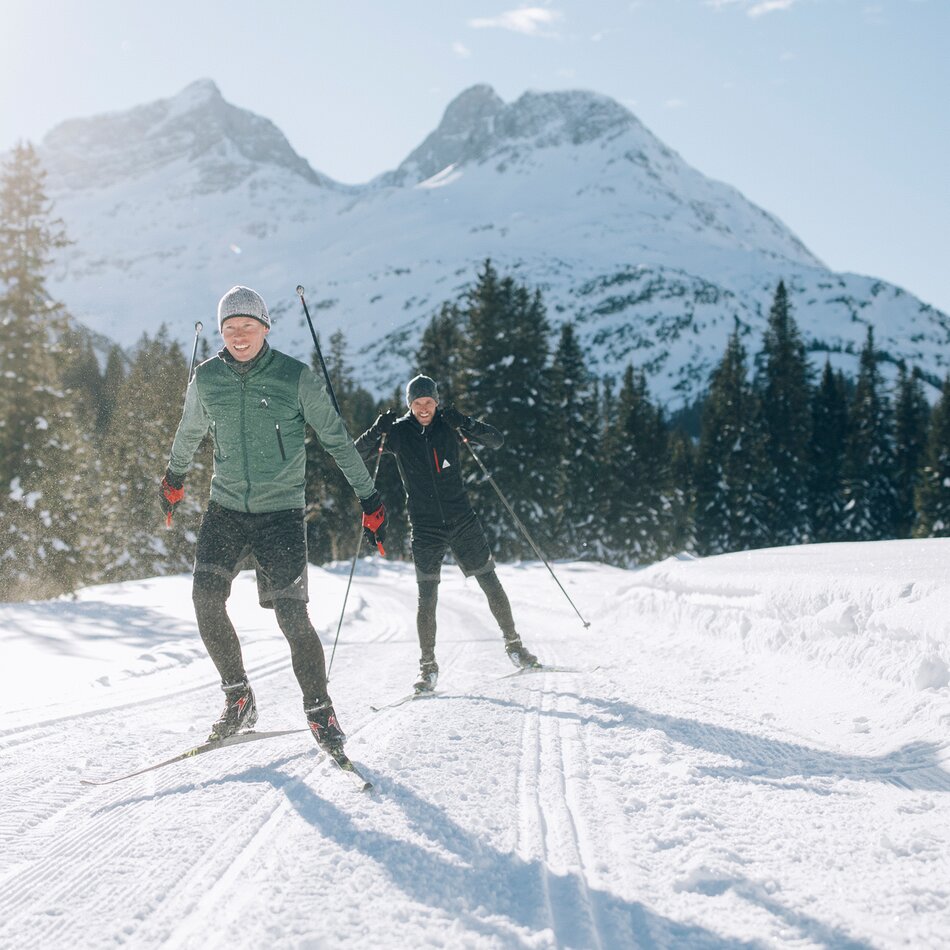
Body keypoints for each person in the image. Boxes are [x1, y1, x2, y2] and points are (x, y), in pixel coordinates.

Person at [159, 285, 387, 753]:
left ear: (265, 328)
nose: (239, 336)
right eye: (229, 328)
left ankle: (320, 712)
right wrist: (173, 480)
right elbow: (188, 432)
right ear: (220, 332)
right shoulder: (206, 379)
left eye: (247, 326)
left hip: (280, 513)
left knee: (291, 616)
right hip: (225, 509)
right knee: (205, 599)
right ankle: (238, 695)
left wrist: (370, 499)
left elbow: (337, 440)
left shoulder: (295, 378)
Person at [356, 373, 540, 693]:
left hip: (462, 520)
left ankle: (515, 645)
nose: (423, 408)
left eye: (429, 402)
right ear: (409, 405)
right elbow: (355, 454)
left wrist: (466, 422)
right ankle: (428, 667)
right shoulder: (398, 433)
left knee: (489, 581)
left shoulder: (450, 426)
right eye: (417, 403)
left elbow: (496, 440)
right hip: (425, 527)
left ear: (437, 403)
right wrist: (377, 429)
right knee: (427, 596)